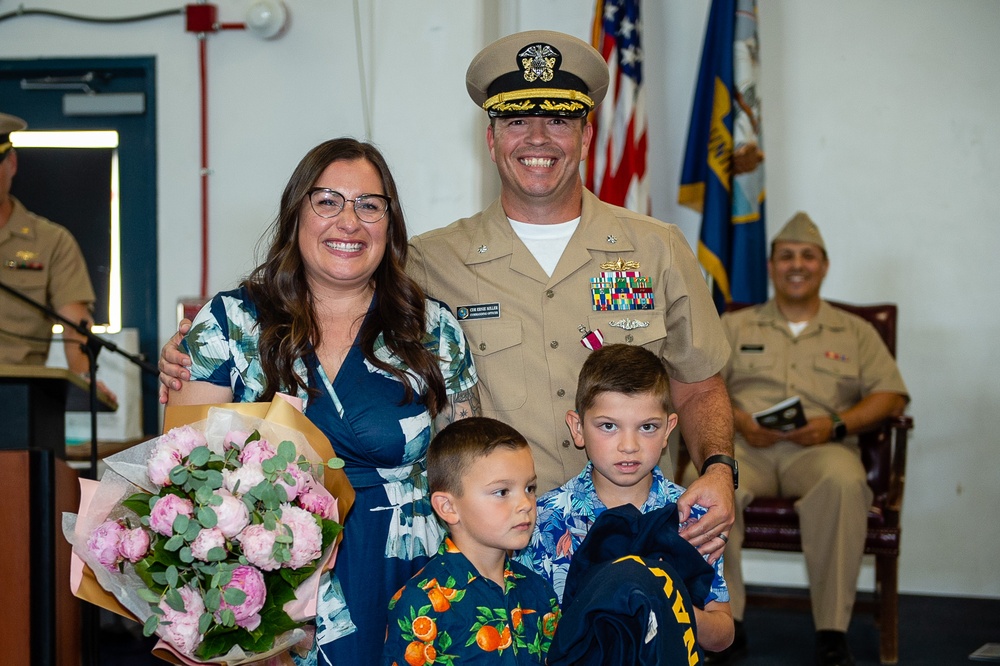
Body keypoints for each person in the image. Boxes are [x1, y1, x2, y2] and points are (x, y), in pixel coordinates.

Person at [160, 30, 736, 558]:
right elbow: (331, 289)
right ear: (490, 139)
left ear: (586, 134)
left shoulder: (658, 249)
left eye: (559, 121)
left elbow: (700, 385)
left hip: (639, 532)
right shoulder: (429, 264)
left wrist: (718, 469)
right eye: (516, 122)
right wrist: (190, 355)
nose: (537, 139)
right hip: (507, 550)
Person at [168, 138, 480, 665]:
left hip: (411, 585)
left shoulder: (434, 330)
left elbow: (472, 474)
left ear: (390, 223)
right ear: (296, 213)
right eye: (328, 201)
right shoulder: (229, 324)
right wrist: (243, 617)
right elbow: (182, 484)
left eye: (369, 205)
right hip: (267, 586)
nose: (349, 222)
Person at [691, 212, 909, 666]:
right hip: (746, 446)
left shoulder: (855, 331)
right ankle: (728, 623)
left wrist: (838, 425)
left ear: (824, 266)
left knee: (845, 485)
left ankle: (832, 632)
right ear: (770, 267)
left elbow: (890, 396)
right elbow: (697, 387)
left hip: (822, 450)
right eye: (786, 255)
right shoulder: (735, 324)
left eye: (808, 256)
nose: (797, 264)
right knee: (710, 491)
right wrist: (741, 420)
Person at [517, 343, 734, 653]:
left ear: (668, 430)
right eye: (608, 426)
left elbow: (723, 634)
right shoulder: (543, 519)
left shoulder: (691, 516)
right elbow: (526, 631)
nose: (629, 445)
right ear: (578, 428)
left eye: (647, 427)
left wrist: (671, 605)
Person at [382, 417, 560, 665]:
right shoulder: (420, 603)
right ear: (448, 507)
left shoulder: (538, 591)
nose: (525, 504)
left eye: (529, 488)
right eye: (502, 492)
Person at [0, 111, 116, 401]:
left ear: (11, 163)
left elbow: (76, 327)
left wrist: (84, 378)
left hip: (15, 397)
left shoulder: (51, 242)